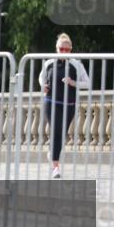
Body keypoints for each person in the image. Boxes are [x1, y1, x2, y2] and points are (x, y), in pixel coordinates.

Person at [38, 33, 90, 179]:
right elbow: (41, 77)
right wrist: (43, 86)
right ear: (56, 48)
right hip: (51, 102)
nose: (64, 52)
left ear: (71, 50)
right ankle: (56, 167)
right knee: (56, 130)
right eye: (61, 49)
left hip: (69, 104)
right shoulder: (49, 63)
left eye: (67, 50)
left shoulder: (76, 64)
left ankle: (52, 153)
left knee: (61, 134)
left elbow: (87, 83)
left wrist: (73, 83)